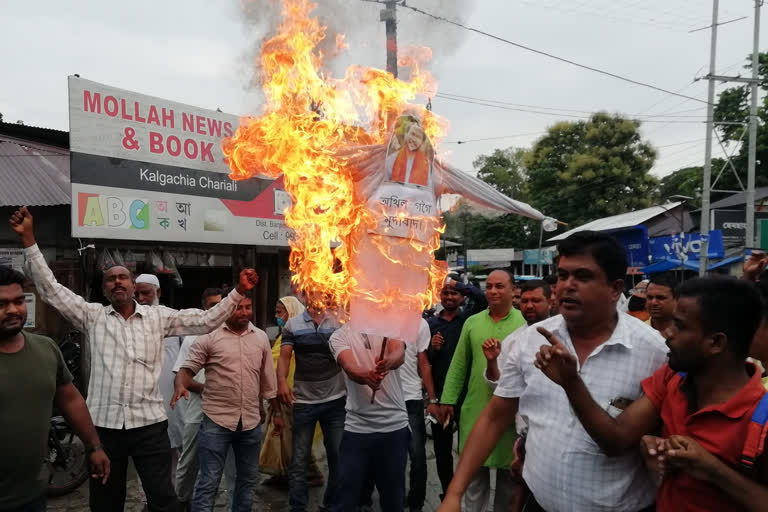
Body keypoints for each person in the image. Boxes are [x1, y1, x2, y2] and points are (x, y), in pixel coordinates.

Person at [9, 206, 258, 512]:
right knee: (105, 501)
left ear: (133, 286)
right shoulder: (93, 316)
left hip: (149, 426)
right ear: (104, 289)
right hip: (103, 428)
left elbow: (205, 321)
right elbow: (50, 289)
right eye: (111, 279)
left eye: (123, 277)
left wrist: (237, 293)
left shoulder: (159, 317)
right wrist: (30, 239)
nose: (117, 282)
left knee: (163, 499)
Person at [438, 231, 667, 512]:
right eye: (562, 275)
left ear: (615, 288)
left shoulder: (655, 352)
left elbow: (646, 440)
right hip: (538, 503)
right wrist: (454, 493)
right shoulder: (529, 340)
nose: (566, 286)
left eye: (583, 277)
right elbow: (496, 416)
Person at [536, 277, 768, 511]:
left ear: (716, 342)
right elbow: (616, 439)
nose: (667, 333)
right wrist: (571, 382)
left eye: (680, 326)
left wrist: (713, 470)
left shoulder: (761, 419)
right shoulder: (673, 378)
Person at [0, 265, 110, 512]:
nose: (13, 310)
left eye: (19, 301)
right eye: (2, 304)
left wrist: (94, 446)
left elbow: (71, 399)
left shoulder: (46, 349)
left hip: (32, 494)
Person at [174, 295, 281, 512]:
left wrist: (274, 412)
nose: (244, 312)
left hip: (250, 423)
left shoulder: (260, 338)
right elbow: (188, 368)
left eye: (247, 307)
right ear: (226, 310)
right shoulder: (208, 337)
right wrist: (180, 384)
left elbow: (267, 380)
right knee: (209, 482)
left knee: (247, 481)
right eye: (238, 308)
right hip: (216, 421)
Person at [439, 269, 526, 511]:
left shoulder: (524, 324)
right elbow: (458, 364)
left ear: (513, 290)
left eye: (499, 286)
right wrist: (447, 399)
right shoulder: (472, 322)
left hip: (510, 416)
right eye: (489, 286)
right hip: (474, 410)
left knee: (508, 488)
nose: (493, 291)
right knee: (473, 483)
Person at [329, 324, 408, 512]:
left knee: (393, 500)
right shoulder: (338, 336)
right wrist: (366, 376)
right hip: (357, 428)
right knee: (345, 497)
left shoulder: (390, 328)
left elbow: (399, 353)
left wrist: (387, 361)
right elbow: (350, 367)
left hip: (394, 426)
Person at [279, 294, 345, 512]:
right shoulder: (293, 324)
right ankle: (297, 507)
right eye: (310, 292)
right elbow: (285, 356)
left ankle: (332, 504)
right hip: (304, 402)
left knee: (338, 457)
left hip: (335, 400)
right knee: (298, 460)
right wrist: (281, 382)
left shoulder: (338, 321)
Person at [425, 276, 487, 498]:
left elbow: (481, 298)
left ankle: (464, 490)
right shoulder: (430, 324)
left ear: (462, 297)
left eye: (454, 293)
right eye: (445, 293)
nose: (449, 297)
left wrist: (454, 282)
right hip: (442, 396)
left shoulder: (470, 319)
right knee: (442, 450)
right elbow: (424, 363)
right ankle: (447, 492)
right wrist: (433, 349)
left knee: (469, 446)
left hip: (468, 396)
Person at [263, 296, 323, 487]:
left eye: (280, 312)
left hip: (293, 396)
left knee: (294, 439)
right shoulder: (283, 337)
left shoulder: (301, 338)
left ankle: (310, 475)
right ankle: (283, 473)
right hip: (279, 396)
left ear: (293, 314)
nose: (277, 316)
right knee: (282, 437)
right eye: (276, 312)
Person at [172, 288, 223, 511]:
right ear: (204, 307)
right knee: (189, 459)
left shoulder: (233, 331)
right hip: (198, 407)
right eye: (212, 306)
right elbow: (182, 377)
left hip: (226, 409)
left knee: (223, 461)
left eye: (220, 304)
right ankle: (181, 500)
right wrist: (210, 390)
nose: (217, 310)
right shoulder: (194, 335)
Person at [134, 274, 184, 475]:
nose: (140, 298)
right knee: (147, 457)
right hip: (143, 399)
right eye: (136, 293)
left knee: (179, 451)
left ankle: (182, 496)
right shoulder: (130, 321)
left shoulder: (173, 318)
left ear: (158, 292)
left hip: (173, 398)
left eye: (145, 293)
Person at [398, 319, 432, 512]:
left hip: (411, 397)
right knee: (390, 456)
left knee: (417, 456)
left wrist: (433, 399)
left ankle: (416, 503)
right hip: (385, 400)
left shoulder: (419, 323)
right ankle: (393, 499)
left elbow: (424, 363)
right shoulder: (377, 320)